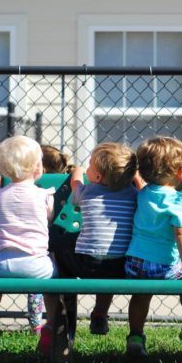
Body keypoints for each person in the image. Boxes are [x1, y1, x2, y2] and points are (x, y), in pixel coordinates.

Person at [0, 136, 57, 356]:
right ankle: (49, 323)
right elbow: (49, 218)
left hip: (0, 264)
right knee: (53, 281)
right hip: (35, 265)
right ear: (38, 167)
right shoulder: (44, 195)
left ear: (3, 168)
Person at [124, 136, 182, 358]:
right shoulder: (178, 202)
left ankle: (136, 335)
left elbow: (142, 183)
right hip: (165, 266)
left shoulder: (143, 194)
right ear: (178, 172)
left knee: (141, 296)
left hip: (135, 264)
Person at [53, 142, 139, 339]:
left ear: (98, 177)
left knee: (61, 247)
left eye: (90, 165)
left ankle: (67, 310)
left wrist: (78, 171)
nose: (87, 167)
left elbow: (76, 184)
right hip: (120, 267)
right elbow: (141, 189)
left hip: (87, 265)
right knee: (107, 266)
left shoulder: (88, 192)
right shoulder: (134, 195)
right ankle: (100, 312)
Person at [22, 145, 71, 335]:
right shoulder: (63, 187)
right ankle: (54, 320)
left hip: (35, 245)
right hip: (61, 245)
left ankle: (36, 324)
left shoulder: (33, 189)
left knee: (37, 283)